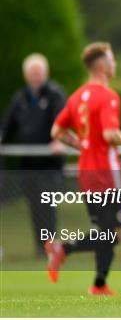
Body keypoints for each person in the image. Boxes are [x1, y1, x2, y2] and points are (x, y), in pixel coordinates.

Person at [46, 42, 121, 295]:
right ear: (103, 65)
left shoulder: (77, 96)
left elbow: (57, 131)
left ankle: (99, 285)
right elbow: (109, 134)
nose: (115, 64)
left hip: (86, 172)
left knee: (103, 232)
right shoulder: (107, 96)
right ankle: (63, 249)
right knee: (114, 233)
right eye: (112, 59)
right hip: (106, 172)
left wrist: (81, 145)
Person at [0, 53, 66, 257]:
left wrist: (59, 139)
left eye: (38, 72)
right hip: (28, 164)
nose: (35, 76)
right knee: (34, 206)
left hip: (49, 165)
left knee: (47, 206)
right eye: (32, 72)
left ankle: (50, 249)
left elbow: (62, 121)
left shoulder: (55, 94)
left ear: (46, 73)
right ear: (25, 74)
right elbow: (8, 126)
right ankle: (40, 249)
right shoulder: (21, 97)